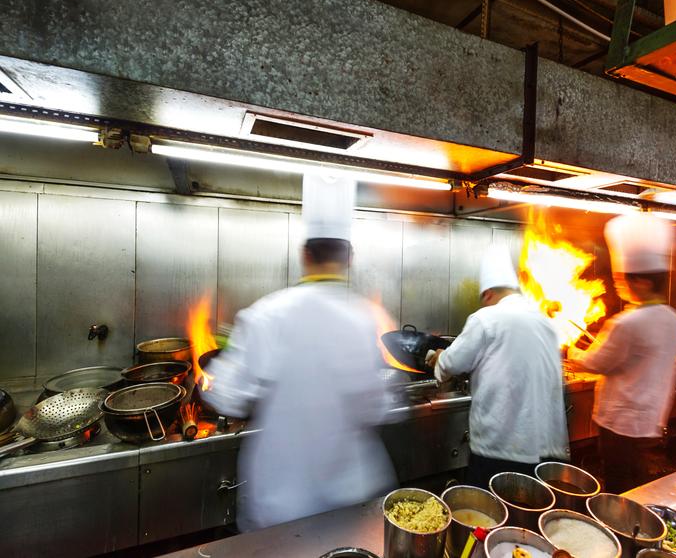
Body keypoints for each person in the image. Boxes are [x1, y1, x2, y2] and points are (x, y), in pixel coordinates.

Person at [203, 171, 396, 532]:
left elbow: (227, 397)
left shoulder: (268, 314)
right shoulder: (363, 318)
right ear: (350, 257)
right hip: (349, 498)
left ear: (304, 255)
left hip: (283, 503)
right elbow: (375, 407)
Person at [426, 243, 569, 489]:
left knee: (490, 520)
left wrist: (437, 357)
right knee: (533, 520)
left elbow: (450, 364)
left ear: (488, 293)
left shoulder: (486, 318)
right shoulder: (544, 322)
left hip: (502, 452)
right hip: (549, 453)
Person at [567, 213, 676, 493]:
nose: (618, 283)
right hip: (650, 421)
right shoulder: (674, 318)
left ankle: (623, 530)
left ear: (642, 282)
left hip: (620, 423)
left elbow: (595, 362)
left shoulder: (627, 322)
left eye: (622, 278)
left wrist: (573, 352)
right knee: (639, 482)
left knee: (619, 485)